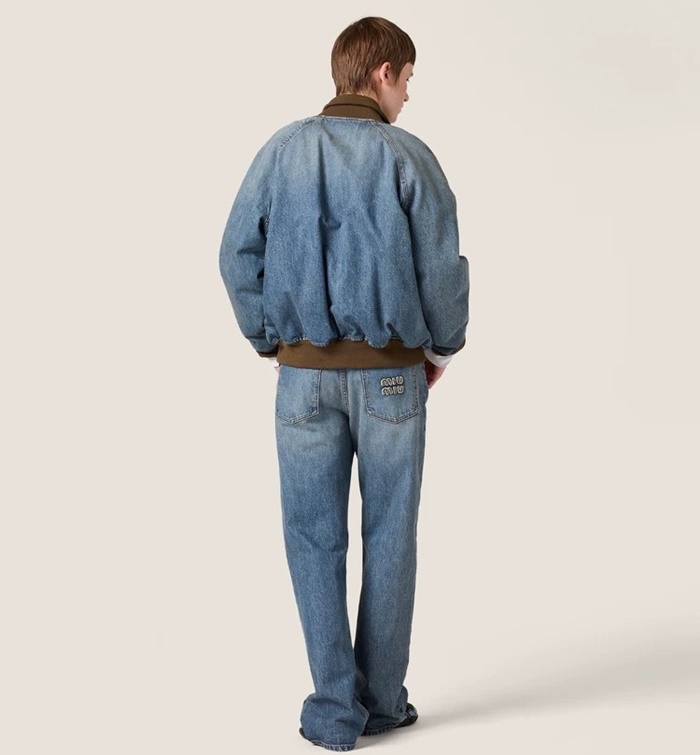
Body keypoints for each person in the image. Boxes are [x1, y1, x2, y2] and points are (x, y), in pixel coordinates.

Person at [219, 16, 469, 752]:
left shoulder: (282, 150)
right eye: (408, 80)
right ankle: (382, 703)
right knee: (390, 536)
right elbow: (443, 271)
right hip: (393, 377)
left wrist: (272, 340)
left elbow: (235, 253)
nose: (408, 95)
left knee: (311, 539)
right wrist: (440, 350)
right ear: (383, 73)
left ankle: (333, 710)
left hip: (301, 381)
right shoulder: (409, 156)